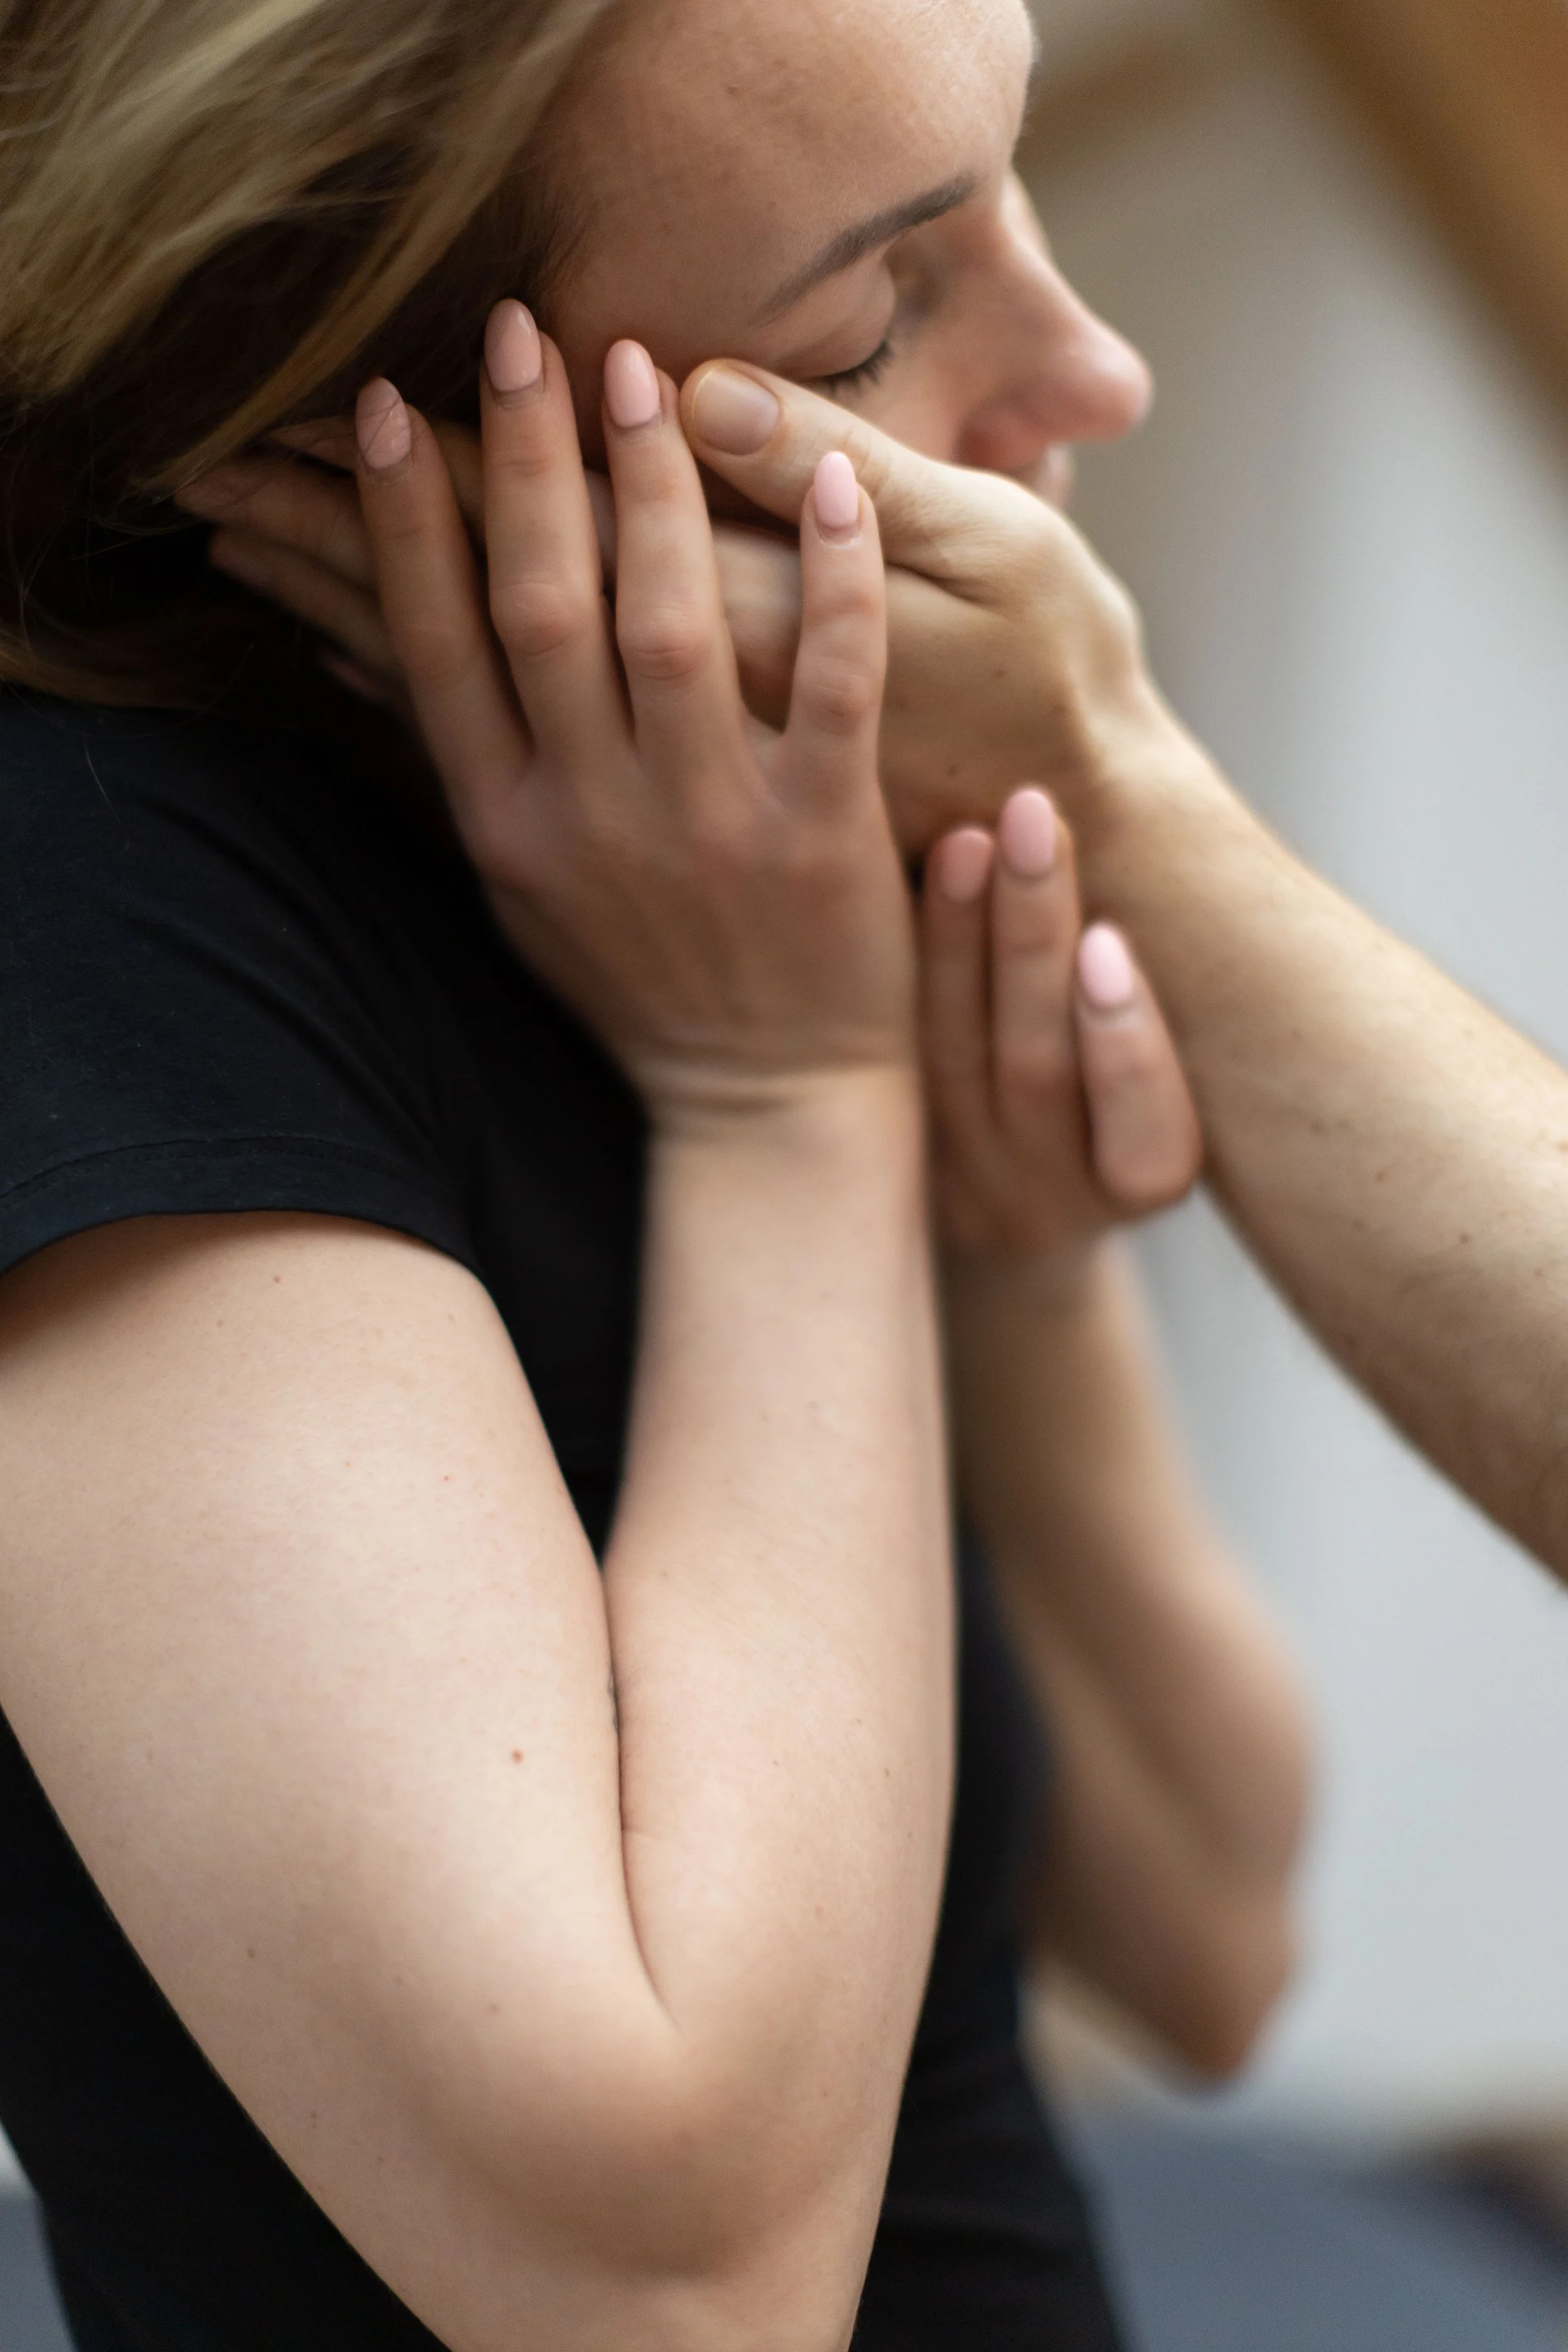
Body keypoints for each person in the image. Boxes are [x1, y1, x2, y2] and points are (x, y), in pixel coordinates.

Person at [0, 2, 1310, 2349]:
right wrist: (785, 1099)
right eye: (871, 317)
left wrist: (1000, 1265)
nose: (1083, 373)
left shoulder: (673, 839)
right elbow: (669, 2285)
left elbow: (1210, 1935)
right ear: (348, 431)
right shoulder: (85, 920)